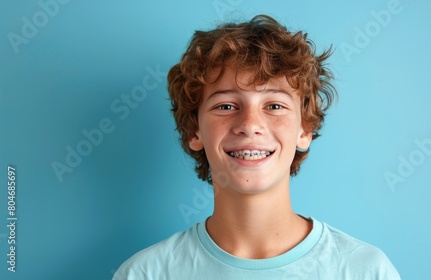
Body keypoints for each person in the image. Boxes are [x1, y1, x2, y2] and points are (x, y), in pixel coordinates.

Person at [113, 14, 400, 279]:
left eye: (274, 105)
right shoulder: (146, 273)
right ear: (194, 131)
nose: (250, 124)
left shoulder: (364, 270)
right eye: (226, 106)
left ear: (305, 129)